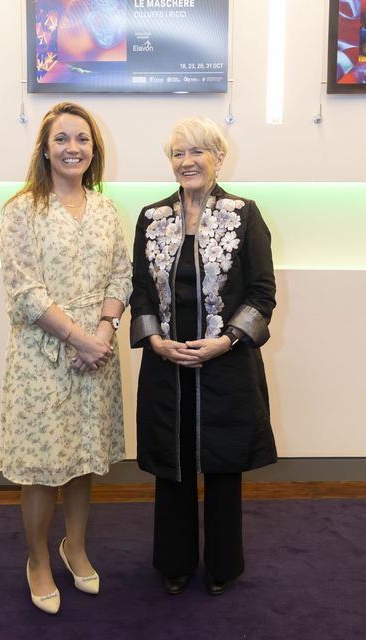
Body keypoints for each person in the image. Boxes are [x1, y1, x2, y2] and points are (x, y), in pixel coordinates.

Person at [130, 117, 277, 596]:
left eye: (197, 151)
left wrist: (227, 339)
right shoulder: (152, 218)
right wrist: (153, 339)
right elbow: (140, 291)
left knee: (221, 465)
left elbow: (261, 293)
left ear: (219, 156)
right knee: (173, 466)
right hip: (167, 365)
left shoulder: (245, 214)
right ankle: (173, 562)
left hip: (225, 363)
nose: (187, 161)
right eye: (178, 153)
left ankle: (222, 566)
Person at [0, 102, 131, 614]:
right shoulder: (21, 210)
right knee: (41, 466)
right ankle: (37, 558)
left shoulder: (104, 209)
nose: (73, 147)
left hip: (95, 353)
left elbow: (121, 277)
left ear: (93, 149)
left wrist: (102, 332)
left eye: (82, 139)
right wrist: (78, 338)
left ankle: (74, 546)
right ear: (45, 149)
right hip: (42, 356)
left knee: (82, 459)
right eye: (62, 139)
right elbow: (23, 291)